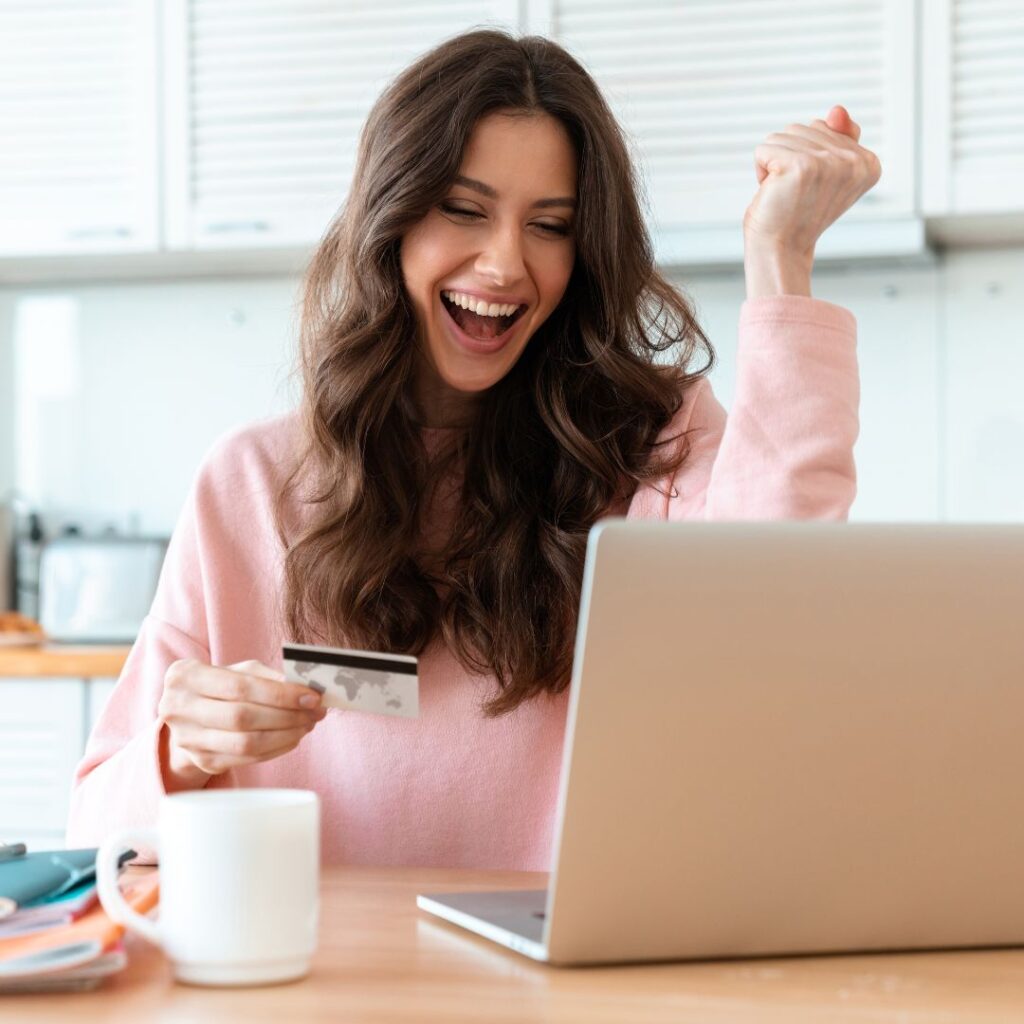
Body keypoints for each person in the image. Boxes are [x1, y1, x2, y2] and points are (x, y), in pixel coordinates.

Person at [65, 30, 880, 869]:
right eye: (463, 209)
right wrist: (182, 752)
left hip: (568, 985)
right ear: (392, 215)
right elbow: (96, 830)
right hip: (327, 989)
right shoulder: (251, 482)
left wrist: (781, 259)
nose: (503, 264)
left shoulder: (650, 446)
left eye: (550, 225)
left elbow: (783, 589)